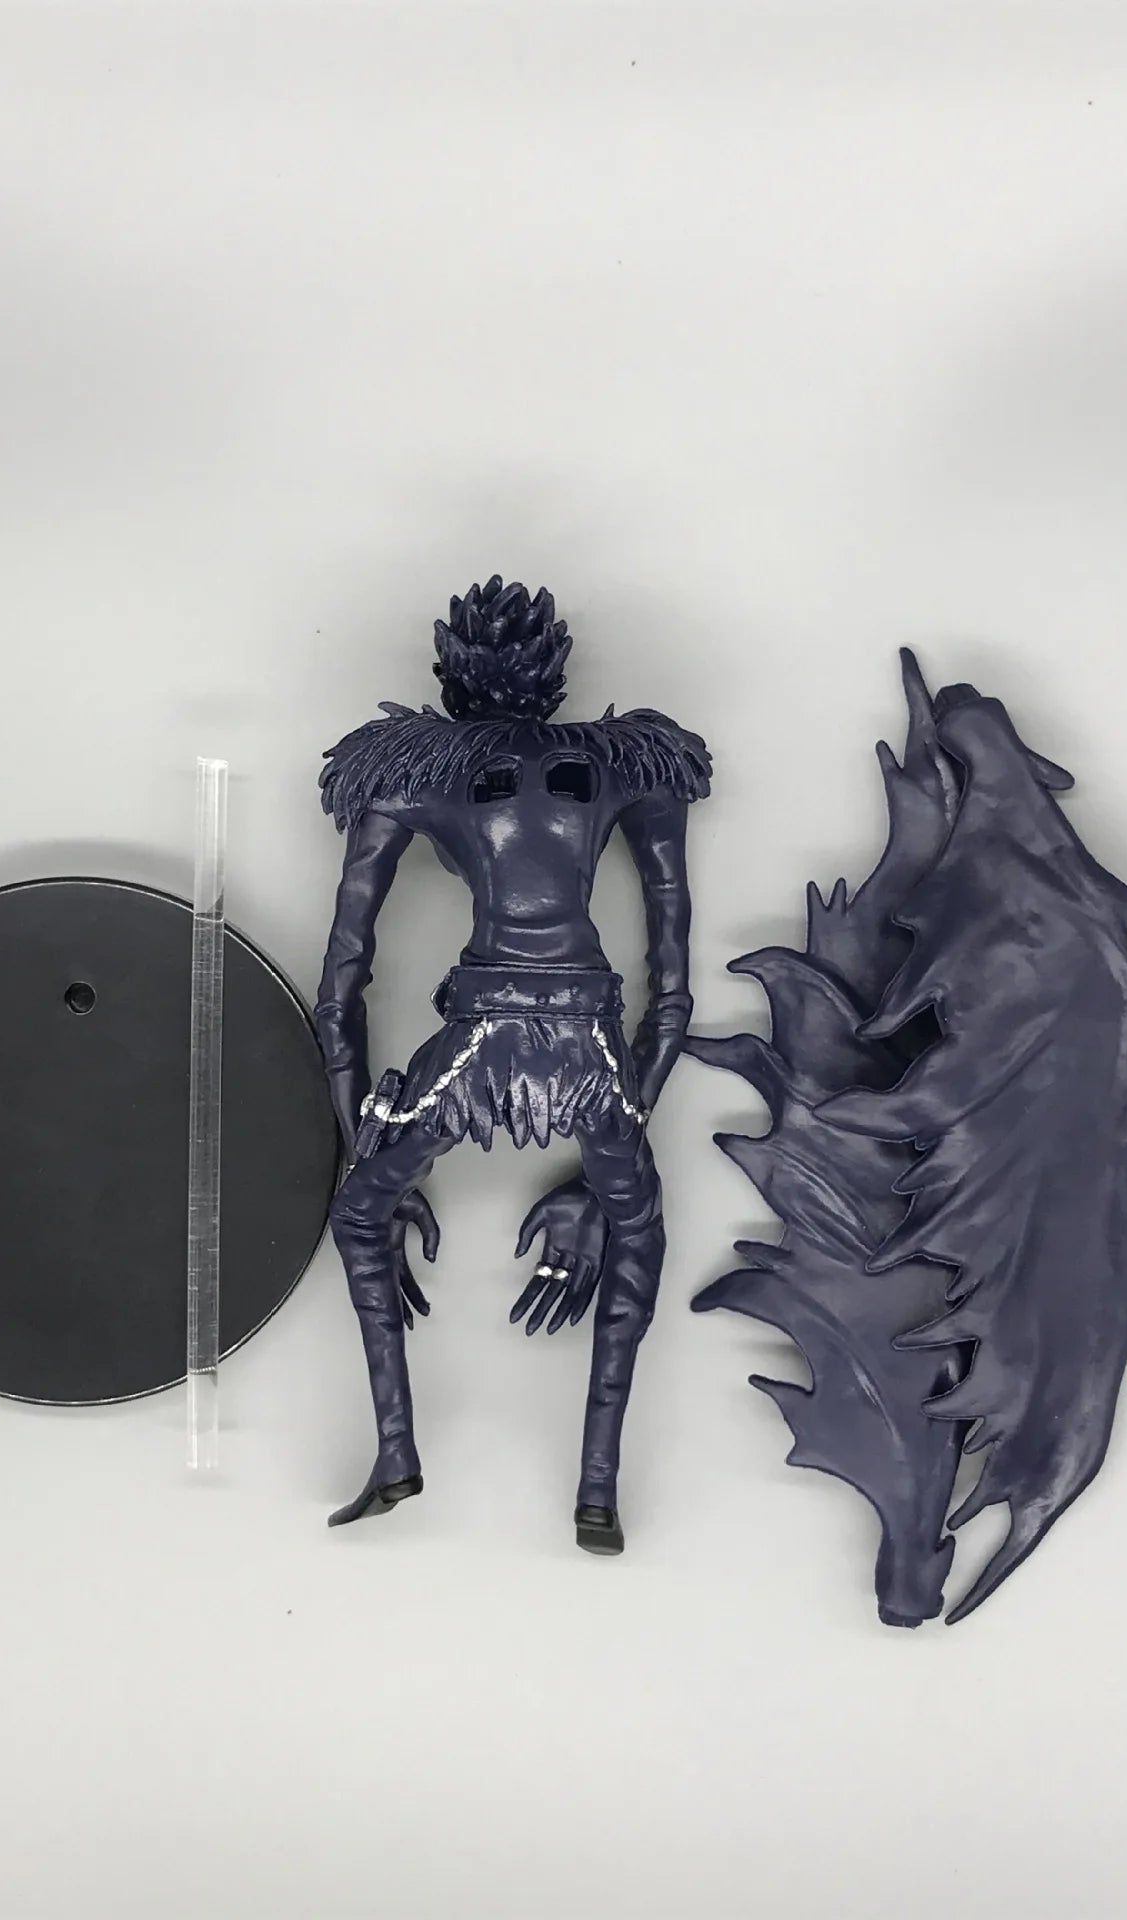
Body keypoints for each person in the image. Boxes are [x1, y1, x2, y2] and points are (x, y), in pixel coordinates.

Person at [316, 576, 710, 1551]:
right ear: (554, 670)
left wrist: (367, 1142)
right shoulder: (632, 762)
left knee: (359, 1215)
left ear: (450, 673)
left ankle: (396, 1453)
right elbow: (673, 990)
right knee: (640, 1230)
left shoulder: (410, 768)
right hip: (593, 1045)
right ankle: (597, 1494)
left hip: (478, 1037)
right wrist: (611, 1150)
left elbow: (341, 987)